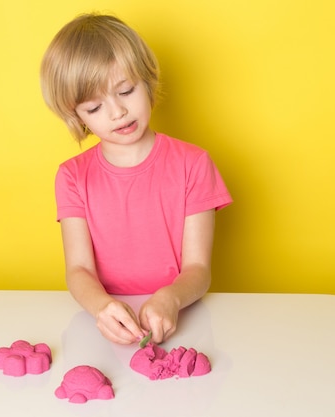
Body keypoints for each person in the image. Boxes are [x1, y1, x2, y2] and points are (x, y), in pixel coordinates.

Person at [40, 13, 232, 345]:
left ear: (146, 80)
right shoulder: (71, 176)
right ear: (77, 116)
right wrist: (102, 308)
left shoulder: (194, 164)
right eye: (95, 108)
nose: (117, 113)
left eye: (126, 91)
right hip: (104, 321)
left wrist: (170, 298)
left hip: (182, 313)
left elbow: (198, 270)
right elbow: (79, 271)